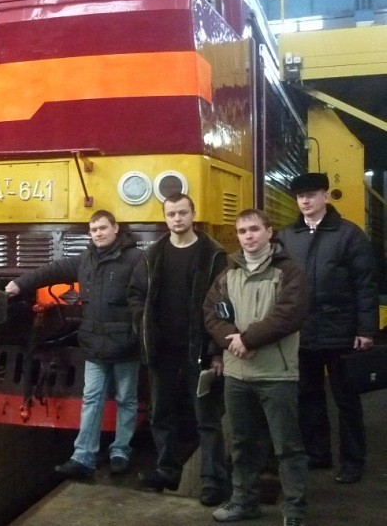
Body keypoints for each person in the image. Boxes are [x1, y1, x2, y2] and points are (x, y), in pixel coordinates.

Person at [5, 209, 142, 479]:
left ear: (116, 228)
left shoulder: (136, 259)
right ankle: (83, 456)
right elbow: (53, 270)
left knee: (126, 399)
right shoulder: (85, 260)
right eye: (94, 230)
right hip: (94, 344)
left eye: (103, 228)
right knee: (91, 399)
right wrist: (19, 284)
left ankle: (120, 451)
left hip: (126, 343)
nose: (98, 234)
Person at [204, 209, 309, 526]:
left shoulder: (288, 272)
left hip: (276, 374)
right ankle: (244, 501)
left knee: (287, 446)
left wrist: (247, 340)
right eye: (242, 231)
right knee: (242, 444)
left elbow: (290, 314)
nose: (248, 236)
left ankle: (294, 509)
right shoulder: (228, 273)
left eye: (254, 229)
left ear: (269, 232)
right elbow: (211, 313)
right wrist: (232, 341)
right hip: (237, 375)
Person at [129, 193, 229, 506]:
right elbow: (136, 294)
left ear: (193, 214)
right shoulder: (153, 254)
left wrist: (217, 349)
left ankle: (213, 481)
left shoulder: (213, 254)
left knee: (207, 418)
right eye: (171, 214)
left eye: (182, 212)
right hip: (162, 351)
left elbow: (224, 305)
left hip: (199, 350)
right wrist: (143, 324)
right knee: (161, 413)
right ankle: (167, 470)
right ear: (165, 217)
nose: (177, 218)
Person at [279, 172, 379, 484]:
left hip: (341, 331)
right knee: (308, 396)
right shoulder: (288, 236)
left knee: (346, 400)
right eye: (300, 196)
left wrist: (366, 329)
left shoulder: (349, 235)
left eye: (311, 195)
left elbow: (365, 285)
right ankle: (317, 453)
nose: (305, 201)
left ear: (325, 196)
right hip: (303, 331)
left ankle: (352, 461)